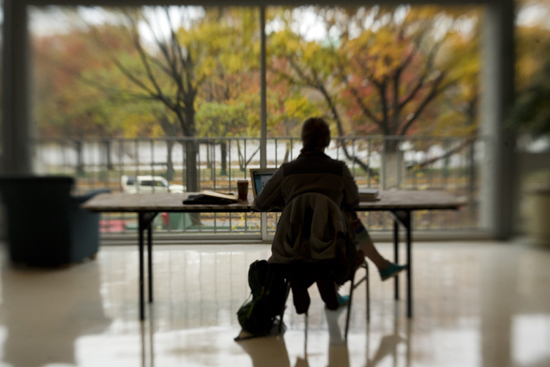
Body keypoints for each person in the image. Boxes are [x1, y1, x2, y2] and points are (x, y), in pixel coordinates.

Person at [254, 117, 406, 302]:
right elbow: (353, 201)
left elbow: (261, 203)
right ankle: (375, 268)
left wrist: (290, 204)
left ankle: (369, 272)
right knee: (346, 219)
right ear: (326, 141)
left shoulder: (287, 170)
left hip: (292, 251)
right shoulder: (338, 169)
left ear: (303, 140)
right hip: (333, 251)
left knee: (338, 223)